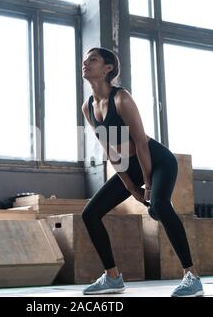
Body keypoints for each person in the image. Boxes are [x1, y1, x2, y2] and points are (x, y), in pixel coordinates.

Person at [80, 47, 204, 297]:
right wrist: (130, 187)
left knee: (159, 205)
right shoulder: (88, 107)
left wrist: (147, 184)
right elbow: (111, 151)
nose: (85, 63)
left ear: (108, 69)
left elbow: (142, 143)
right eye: (85, 60)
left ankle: (192, 277)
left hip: (158, 160)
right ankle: (113, 278)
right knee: (90, 214)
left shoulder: (121, 98)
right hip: (131, 166)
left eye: (92, 59)